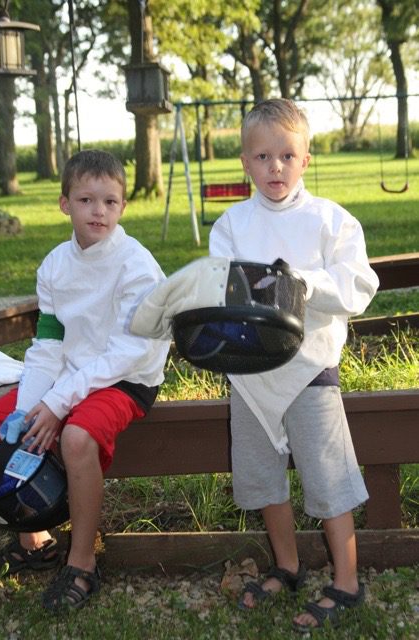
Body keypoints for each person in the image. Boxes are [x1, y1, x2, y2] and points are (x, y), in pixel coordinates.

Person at [209, 99, 379, 632]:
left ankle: (347, 578)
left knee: (328, 476)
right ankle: (287, 563)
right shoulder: (232, 224)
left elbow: (357, 287)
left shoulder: (331, 221)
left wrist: (299, 282)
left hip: (310, 371)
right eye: (262, 156)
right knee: (263, 479)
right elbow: (219, 285)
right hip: (250, 375)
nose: (275, 167)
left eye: (286, 155)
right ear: (245, 162)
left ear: (307, 158)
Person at [0, 150, 170, 612]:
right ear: (64, 204)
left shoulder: (137, 266)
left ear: (123, 207)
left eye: (110, 201)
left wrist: (57, 405)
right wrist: (27, 407)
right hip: (72, 375)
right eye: (87, 199)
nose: (99, 211)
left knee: (75, 436)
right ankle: (35, 540)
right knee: (0, 420)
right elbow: (49, 345)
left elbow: (128, 351)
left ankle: (82, 562)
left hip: (126, 379)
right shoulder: (54, 265)